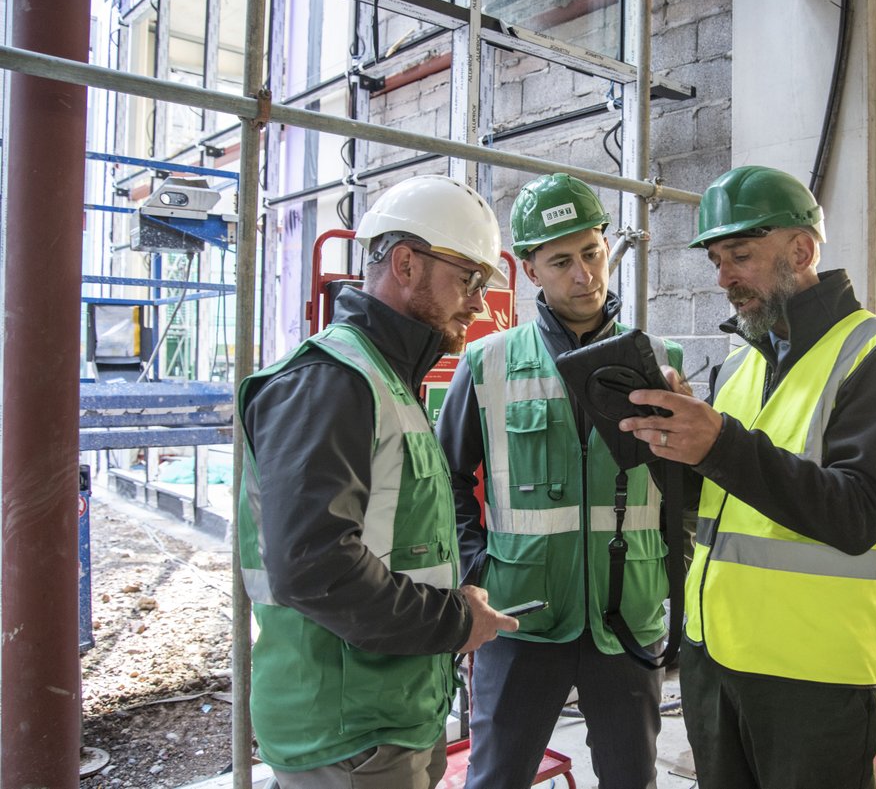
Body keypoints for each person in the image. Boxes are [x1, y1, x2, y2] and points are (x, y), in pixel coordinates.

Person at [619, 165, 876, 789]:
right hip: (715, 663)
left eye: (740, 254)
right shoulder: (741, 366)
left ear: (801, 249)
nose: (724, 277)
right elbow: (719, 504)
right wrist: (670, 445)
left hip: (812, 679)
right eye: (716, 259)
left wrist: (720, 443)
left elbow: (857, 515)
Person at [237, 174, 521, 789]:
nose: (479, 302)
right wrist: (453, 620)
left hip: (391, 712)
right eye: (469, 279)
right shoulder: (329, 382)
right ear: (405, 263)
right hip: (347, 731)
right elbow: (314, 567)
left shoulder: (385, 379)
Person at [436, 172, 685, 789]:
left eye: (593, 253)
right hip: (519, 617)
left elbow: (682, 488)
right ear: (529, 269)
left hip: (625, 611)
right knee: (497, 777)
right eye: (562, 261)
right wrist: (476, 570)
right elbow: (445, 476)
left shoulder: (662, 362)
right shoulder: (487, 362)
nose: (585, 276)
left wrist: (673, 582)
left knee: (631, 778)